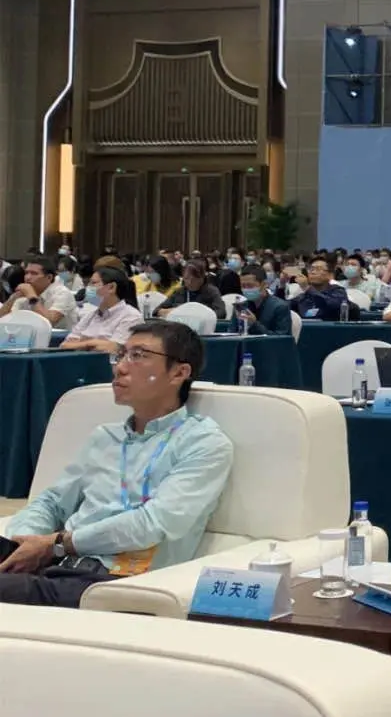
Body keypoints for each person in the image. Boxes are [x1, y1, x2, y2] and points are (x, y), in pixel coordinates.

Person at [0, 320, 234, 606]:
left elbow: (152, 524)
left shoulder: (203, 442)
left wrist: (58, 544)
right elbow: (52, 502)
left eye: (138, 356)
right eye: (120, 354)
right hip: (53, 562)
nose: (120, 368)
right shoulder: (105, 437)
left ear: (179, 373)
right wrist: (23, 541)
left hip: (108, 579)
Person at [60, 266, 143, 353]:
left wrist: (84, 341)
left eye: (93, 283)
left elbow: (113, 349)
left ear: (111, 287)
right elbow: (64, 345)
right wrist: (93, 343)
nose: (88, 288)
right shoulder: (90, 315)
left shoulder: (131, 316)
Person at [0, 256, 78, 329]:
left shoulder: (62, 293)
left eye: (34, 273)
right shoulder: (25, 293)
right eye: (26, 273)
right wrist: (14, 298)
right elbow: (3, 319)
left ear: (49, 277)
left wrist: (32, 296)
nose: (28, 277)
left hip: (61, 338)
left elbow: (49, 321)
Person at [156, 260, 227, 319]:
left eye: (194, 279)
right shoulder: (179, 292)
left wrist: (199, 314)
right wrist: (171, 311)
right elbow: (156, 311)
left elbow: (221, 313)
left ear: (202, 278)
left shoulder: (212, 291)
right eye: (186, 278)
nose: (190, 282)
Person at [236, 265, 292, 335]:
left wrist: (254, 324)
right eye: (243, 286)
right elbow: (232, 334)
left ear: (264, 284)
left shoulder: (280, 307)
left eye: (250, 285)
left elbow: (282, 339)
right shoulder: (241, 306)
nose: (246, 289)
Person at [289, 256, 349, 320]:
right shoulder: (304, 296)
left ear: (330, 275)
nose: (313, 272)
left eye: (318, 269)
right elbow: (284, 307)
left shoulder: (338, 292)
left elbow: (331, 305)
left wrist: (307, 288)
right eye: (311, 269)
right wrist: (282, 285)